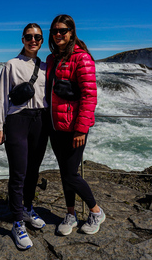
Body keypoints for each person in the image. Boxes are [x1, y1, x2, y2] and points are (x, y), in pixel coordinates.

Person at [46, 14, 105, 235]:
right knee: (64, 172)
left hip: (73, 128)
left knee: (71, 173)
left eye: (62, 30)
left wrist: (81, 128)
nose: (58, 34)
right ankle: (70, 214)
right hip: (55, 126)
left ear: (72, 32)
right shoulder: (53, 59)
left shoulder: (82, 59)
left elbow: (89, 96)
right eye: (54, 31)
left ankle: (96, 211)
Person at [0, 23, 49, 250]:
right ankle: (17, 222)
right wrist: (0, 126)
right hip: (17, 120)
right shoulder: (11, 65)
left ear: (42, 40)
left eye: (37, 37)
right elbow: (1, 98)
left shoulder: (46, 66)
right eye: (29, 36)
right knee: (18, 172)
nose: (33, 40)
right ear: (23, 39)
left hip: (42, 121)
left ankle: (27, 208)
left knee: (33, 171)